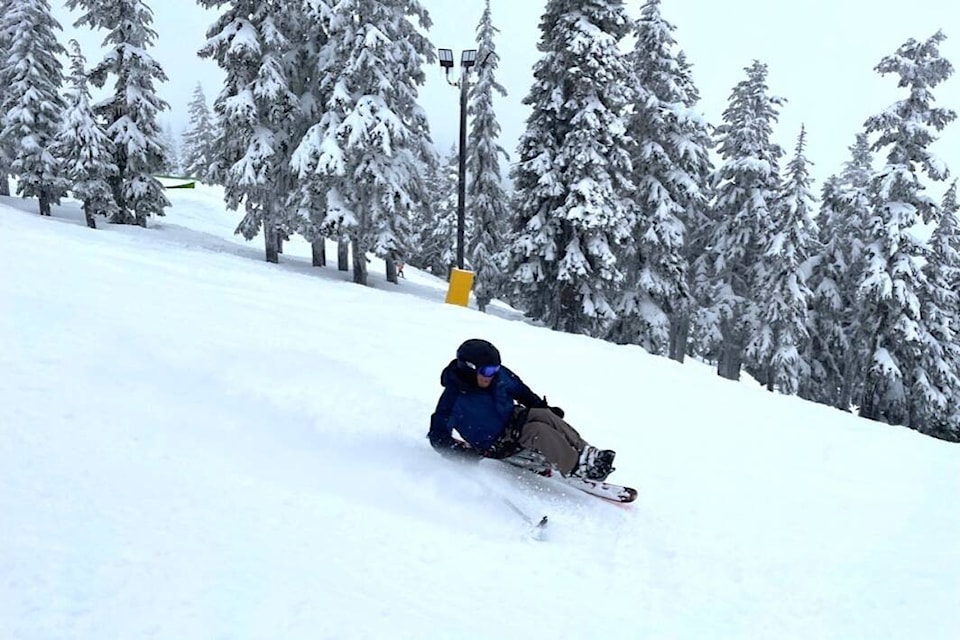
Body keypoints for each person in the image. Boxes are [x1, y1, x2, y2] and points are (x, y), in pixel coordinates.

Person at [428, 338, 615, 480]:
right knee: (537, 431)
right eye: (487, 371)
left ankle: (589, 455)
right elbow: (438, 436)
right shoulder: (453, 398)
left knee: (543, 415)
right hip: (495, 443)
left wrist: (544, 407)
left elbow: (521, 392)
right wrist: (459, 453)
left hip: (513, 419)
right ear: (469, 369)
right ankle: (575, 467)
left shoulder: (499, 376)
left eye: (495, 369)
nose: (492, 375)